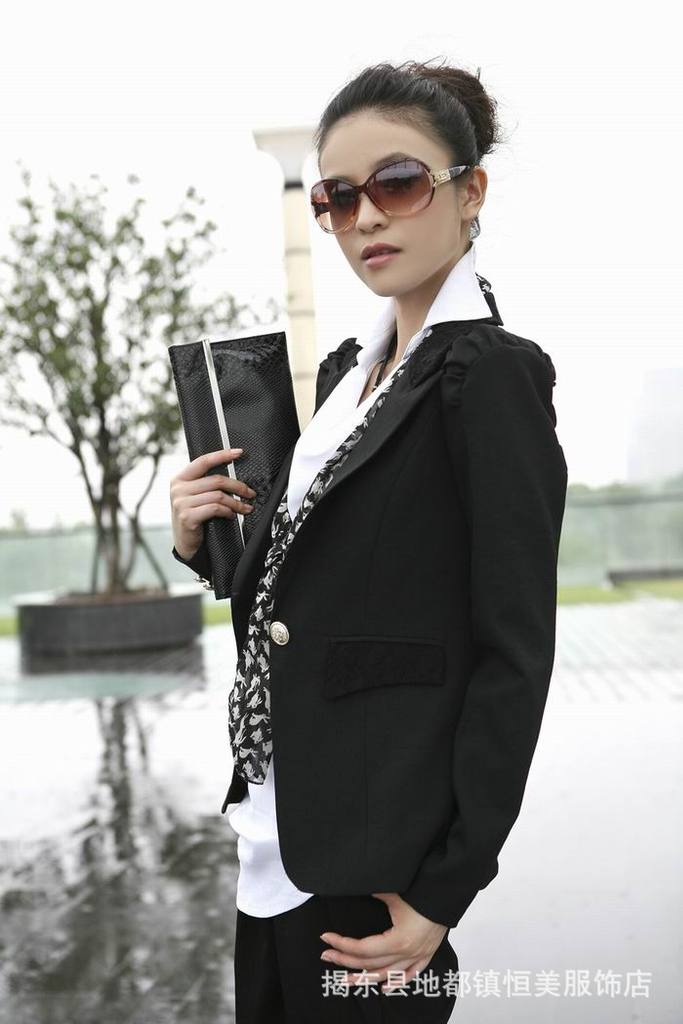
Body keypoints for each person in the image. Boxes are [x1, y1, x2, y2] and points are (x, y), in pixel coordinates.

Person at [170, 57, 568, 1023]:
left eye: (397, 183)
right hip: (274, 835)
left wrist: (446, 889)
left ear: (470, 191)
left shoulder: (489, 376)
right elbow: (316, 585)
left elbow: (514, 654)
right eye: (337, 198)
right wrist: (204, 538)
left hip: (376, 871)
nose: (364, 219)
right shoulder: (350, 375)